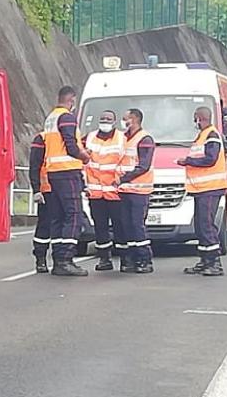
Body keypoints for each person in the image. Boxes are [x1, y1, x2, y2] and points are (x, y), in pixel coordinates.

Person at [42, 85, 90, 277]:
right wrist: (84, 156)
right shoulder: (67, 117)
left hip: (54, 172)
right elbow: (70, 145)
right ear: (72, 100)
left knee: (58, 217)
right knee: (74, 216)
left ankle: (58, 258)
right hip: (68, 171)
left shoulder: (51, 118)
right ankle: (66, 260)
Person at [178, 106, 227, 276]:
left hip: (211, 188)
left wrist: (188, 161)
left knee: (207, 225)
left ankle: (215, 262)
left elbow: (210, 159)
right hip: (201, 189)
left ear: (199, 118)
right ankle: (205, 259)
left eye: (195, 119)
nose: (195, 122)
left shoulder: (212, 136)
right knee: (200, 225)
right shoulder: (202, 136)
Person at [83, 110, 125, 271]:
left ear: (114, 122)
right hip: (95, 192)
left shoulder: (121, 138)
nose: (105, 121)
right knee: (100, 228)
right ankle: (104, 259)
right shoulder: (90, 137)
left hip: (115, 191)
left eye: (108, 119)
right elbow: (81, 158)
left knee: (119, 226)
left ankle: (124, 260)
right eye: (103, 118)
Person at [117, 108, 155, 273]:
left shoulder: (145, 139)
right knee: (126, 225)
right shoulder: (123, 138)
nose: (123, 121)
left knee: (137, 225)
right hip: (124, 190)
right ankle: (131, 259)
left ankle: (144, 260)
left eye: (126, 118)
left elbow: (143, 166)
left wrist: (124, 178)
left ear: (134, 119)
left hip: (139, 191)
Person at [29, 133, 53, 273]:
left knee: (64, 226)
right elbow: (34, 166)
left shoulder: (70, 138)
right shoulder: (42, 138)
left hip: (65, 190)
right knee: (45, 225)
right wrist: (36, 190)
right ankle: (40, 259)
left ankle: (62, 260)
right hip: (47, 191)